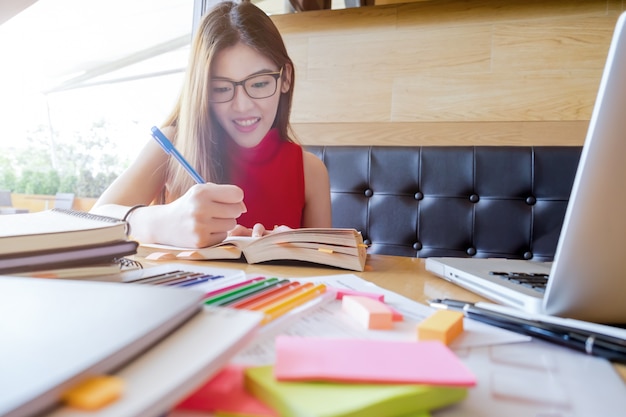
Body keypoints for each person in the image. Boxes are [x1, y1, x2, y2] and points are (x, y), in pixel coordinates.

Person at [91, 0, 331, 248]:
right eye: (222, 88)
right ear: (202, 90)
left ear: (285, 79)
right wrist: (162, 222)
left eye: (259, 84)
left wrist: (287, 248)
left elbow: (330, 262)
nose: (242, 106)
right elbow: (87, 222)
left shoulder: (311, 171)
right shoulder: (174, 144)